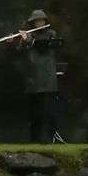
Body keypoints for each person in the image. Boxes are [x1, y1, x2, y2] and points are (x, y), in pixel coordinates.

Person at [14, 9, 61, 144]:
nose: (39, 24)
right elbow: (19, 54)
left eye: (41, 21)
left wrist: (29, 41)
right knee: (35, 114)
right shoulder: (29, 37)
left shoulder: (51, 35)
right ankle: (35, 140)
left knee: (48, 112)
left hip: (47, 81)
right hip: (32, 81)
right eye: (36, 22)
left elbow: (43, 49)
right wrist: (17, 41)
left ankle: (51, 138)